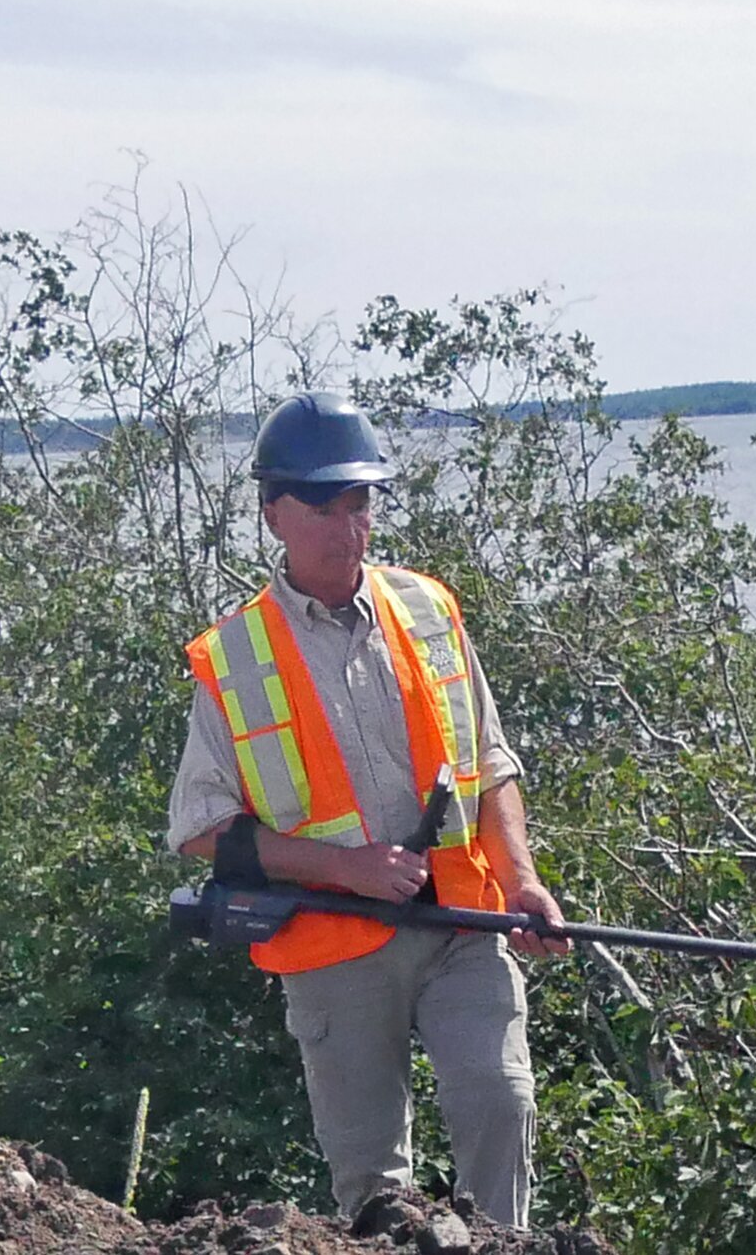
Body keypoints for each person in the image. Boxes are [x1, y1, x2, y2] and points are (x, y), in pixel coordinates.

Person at [168, 391, 568, 1229]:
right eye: (323, 505)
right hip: (332, 945)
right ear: (274, 512)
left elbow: (490, 766)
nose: (348, 525)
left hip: (465, 922)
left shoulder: (428, 611)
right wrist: (344, 867)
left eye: (360, 502)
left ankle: (503, 1248)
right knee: (373, 1184)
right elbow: (202, 830)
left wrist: (523, 879)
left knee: (501, 1101)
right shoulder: (233, 657)